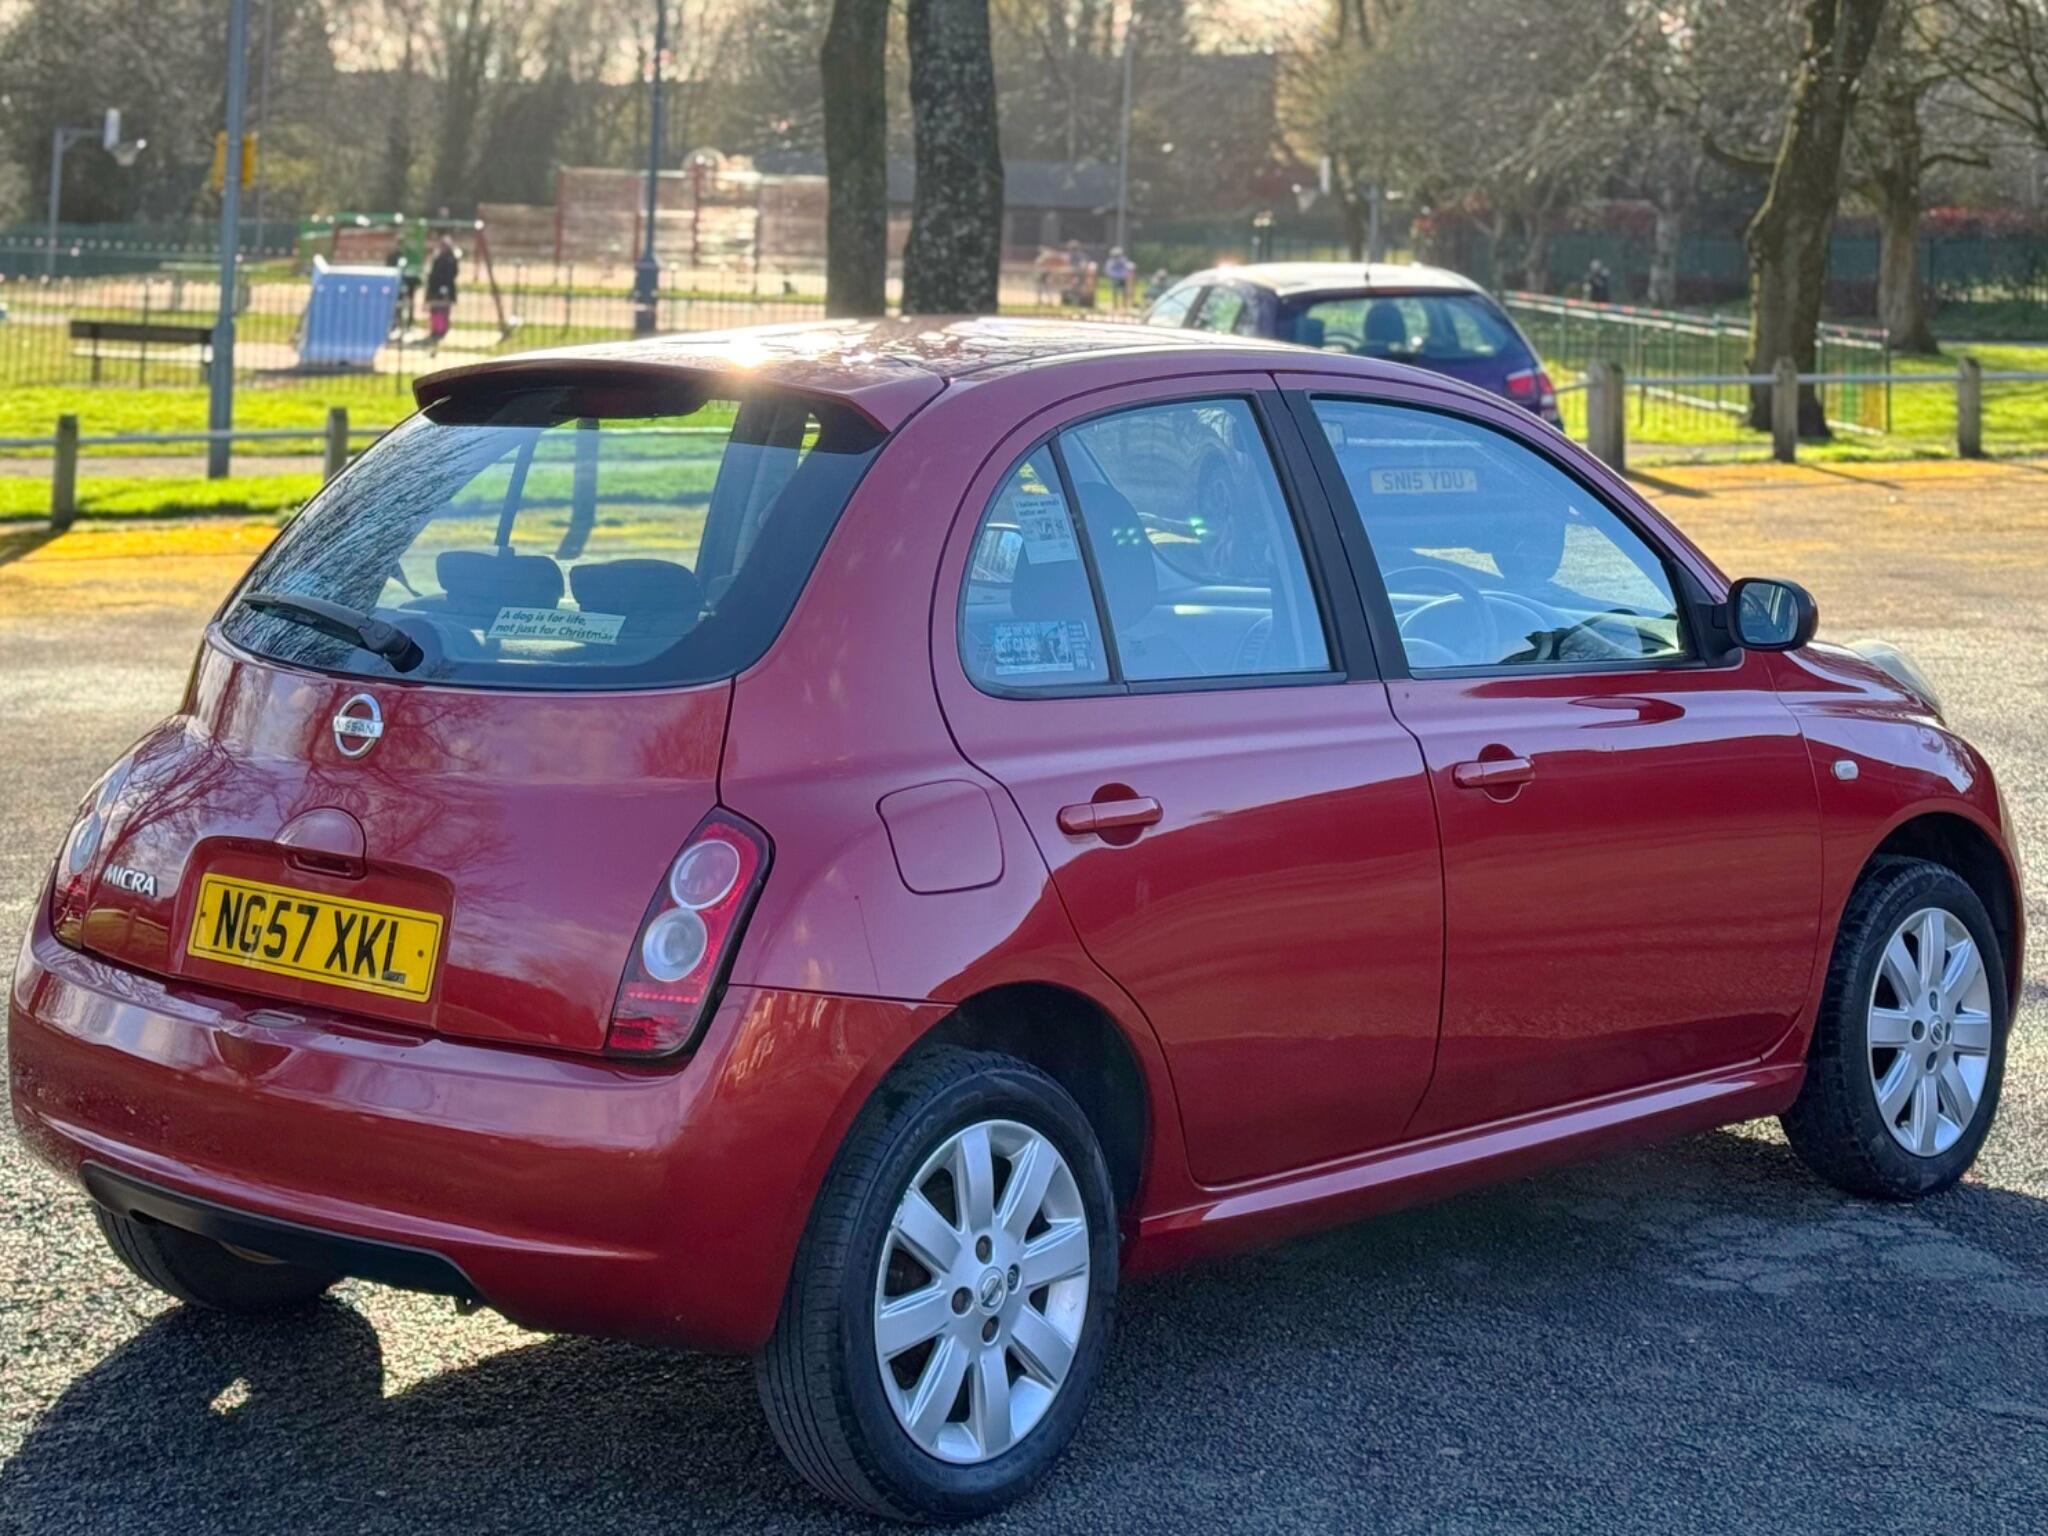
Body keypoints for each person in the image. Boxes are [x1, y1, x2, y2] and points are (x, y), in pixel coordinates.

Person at [426, 234, 461, 349]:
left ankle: (441, 330)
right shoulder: (438, 256)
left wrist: (445, 286)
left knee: (443, 311)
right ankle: (435, 329)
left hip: (445, 288)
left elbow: (453, 273)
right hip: (435, 288)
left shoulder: (451, 259)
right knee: (435, 310)